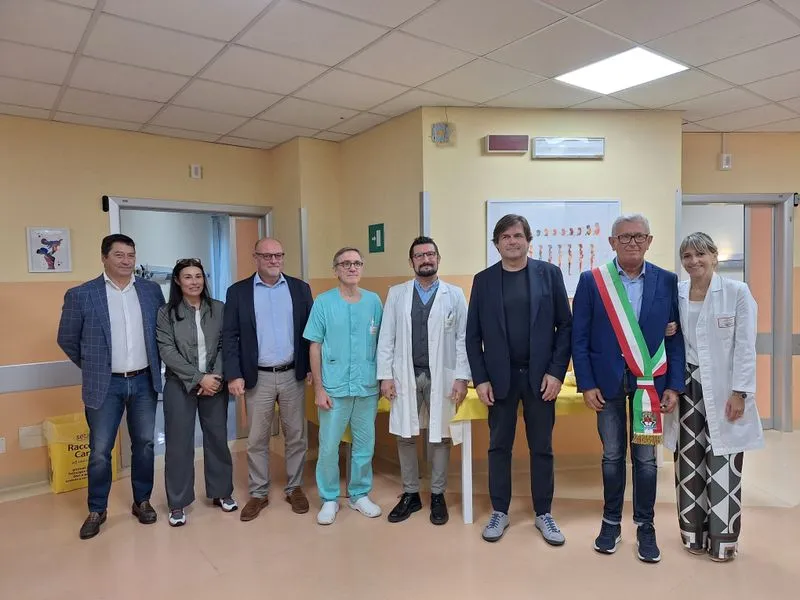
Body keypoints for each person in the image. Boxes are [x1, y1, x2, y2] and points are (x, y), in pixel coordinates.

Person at [572, 213, 685, 563]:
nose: (632, 242)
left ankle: (645, 526)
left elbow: (676, 337)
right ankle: (610, 523)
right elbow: (579, 338)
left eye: (639, 236)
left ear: (649, 241)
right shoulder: (592, 281)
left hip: (650, 385)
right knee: (611, 455)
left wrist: (674, 385)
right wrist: (586, 383)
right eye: (624, 237)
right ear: (612, 243)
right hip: (605, 384)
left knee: (646, 459)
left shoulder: (667, 280)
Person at [466, 215, 572, 545]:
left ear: (528, 240)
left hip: (541, 378)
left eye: (517, 235)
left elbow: (565, 327)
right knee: (499, 446)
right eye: (505, 237)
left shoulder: (549, 274)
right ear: (496, 244)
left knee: (542, 446)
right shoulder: (483, 281)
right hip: (499, 379)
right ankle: (500, 511)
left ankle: (544, 513)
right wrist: (480, 379)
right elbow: (473, 336)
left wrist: (556, 372)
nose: (512, 241)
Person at [662, 232, 763, 562]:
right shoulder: (677, 292)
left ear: (714, 256)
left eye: (700, 254)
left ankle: (723, 541)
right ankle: (693, 535)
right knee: (689, 463)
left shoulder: (737, 292)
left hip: (724, 389)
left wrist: (740, 392)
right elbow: (668, 334)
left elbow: (746, 347)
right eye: (687, 256)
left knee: (724, 463)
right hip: (686, 388)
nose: (694, 261)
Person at [57, 234, 164, 540]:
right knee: (100, 451)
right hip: (105, 384)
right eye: (119, 255)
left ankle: (142, 501)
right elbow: (67, 339)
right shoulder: (82, 294)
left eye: (131, 255)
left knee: (144, 443)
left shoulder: (151, 291)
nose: (126, 261)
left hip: (143, 381)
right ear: (104, 257)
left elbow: (160, 332)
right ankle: (97, 509)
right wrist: (95, 367)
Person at [377, 236, 470, 526]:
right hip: (405, 374)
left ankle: (438, 494)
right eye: (419, 255)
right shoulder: (397, 294)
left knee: (441, 435)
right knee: (405, 434)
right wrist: (385, 376)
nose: (426, 259)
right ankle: (411, 493)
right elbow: (386, 337)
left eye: (430, 254)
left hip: (443, 376)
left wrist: (462, 377)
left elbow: (463, 339)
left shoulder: (455, 295)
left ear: (438, 259)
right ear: (411, 262)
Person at [222, 238, 313, 522]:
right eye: (267, 256)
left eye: (278, 255)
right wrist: (233, 374)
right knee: (257, 438)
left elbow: (310, 332)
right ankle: (259, 492)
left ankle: (294, 487)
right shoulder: (238, 292)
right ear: (256, 258)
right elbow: (229, 336)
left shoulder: (300, 289)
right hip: (257, 376)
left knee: (296, 435)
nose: (274, 260)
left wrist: (311, 367)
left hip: (292, 374)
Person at [303, 247, 383, 525]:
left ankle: (359, 494)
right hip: (333, 388)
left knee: (365, 445)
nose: (352, 268)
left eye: (357, 263)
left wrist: (383, 379)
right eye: (345, 263)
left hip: (366, 386)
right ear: (335, 269)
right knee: (328, 447)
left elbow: (383, 343)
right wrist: (319, 388)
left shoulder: (374, 301)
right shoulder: (323, 302)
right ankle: (329, 498)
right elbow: (315, 346)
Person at [156, 258, 237, 527]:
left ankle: (222, 492)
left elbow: (226, 344)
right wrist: (199, 378)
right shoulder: (166, 313)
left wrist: (214, 377)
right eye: (188, 277)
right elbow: (167, 351)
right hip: (179, 385)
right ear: (178, 281)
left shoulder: (219, 309)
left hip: (215, 384)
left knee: (217, 439)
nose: (194, 282)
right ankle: (177, 502)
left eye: (198, 276)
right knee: (179, 445)